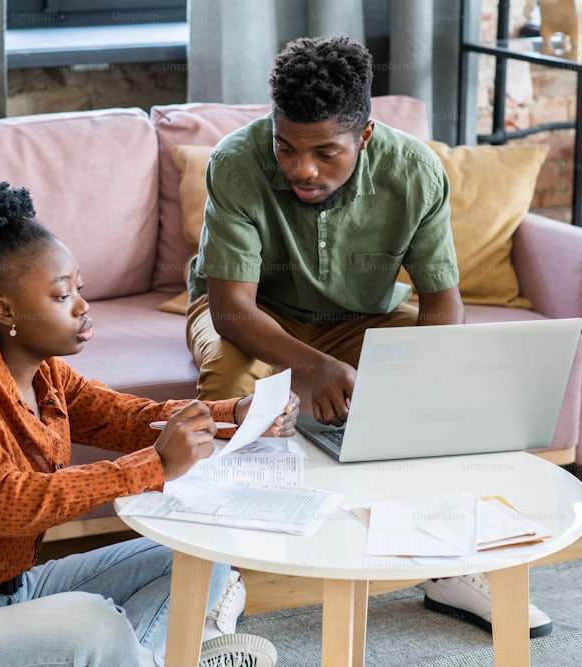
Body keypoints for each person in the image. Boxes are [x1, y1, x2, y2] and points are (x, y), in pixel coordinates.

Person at [185, 34, 553, 638]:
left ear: (364, 136)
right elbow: (231, 311)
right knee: (226, 385)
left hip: (367, 317)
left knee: (449, 393)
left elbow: (441, 303)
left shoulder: (416, 172)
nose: (302, 169)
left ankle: (453, 570)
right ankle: (218, 582)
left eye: (326, 153)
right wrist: (310, 368)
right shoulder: (235, 161)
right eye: (287, 148)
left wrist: (428, 383)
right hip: (255, 316)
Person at [0, 177, 297, 667]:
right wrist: (153, 465)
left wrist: (235, 414)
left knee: (201, 558)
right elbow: (9, 503)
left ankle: (149, 658)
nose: (84, 306)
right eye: (62, 295)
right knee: (94, 621)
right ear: (6, 311)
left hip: (16, 592)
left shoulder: (47, 375)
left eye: (79, 289)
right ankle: (177, 650)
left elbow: (133, 419)